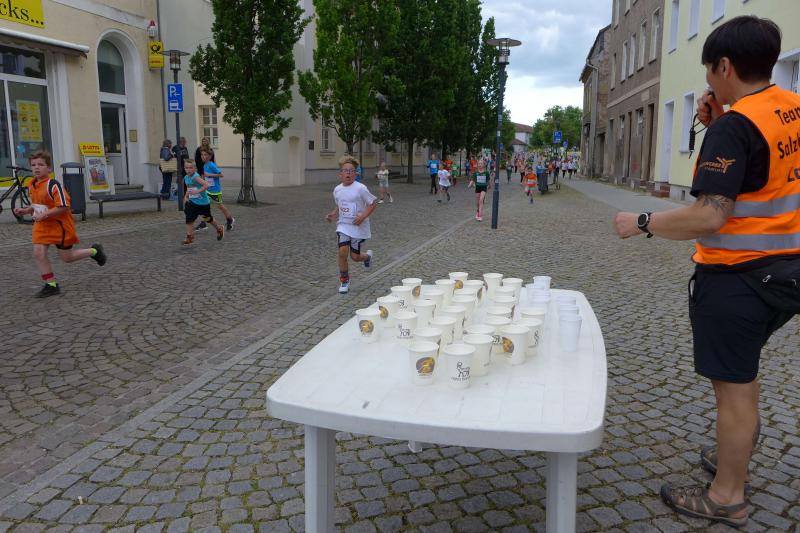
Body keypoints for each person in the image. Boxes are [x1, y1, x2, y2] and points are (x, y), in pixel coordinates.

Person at [614, 16, 799, 528]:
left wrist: (642, 222)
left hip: (739, 277)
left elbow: (710, 214)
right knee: (745, 376)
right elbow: (766, 175)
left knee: (734, 388)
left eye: (709, 71)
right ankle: (732, 456)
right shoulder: (790, 109)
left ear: (725, 66)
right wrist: (719, 120)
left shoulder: (735, 128)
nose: (707, 81)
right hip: (787, 273)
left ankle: (727, 496)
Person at [12, 150, 106, 298]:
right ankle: (51, 285)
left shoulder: (53, 185)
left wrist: (44, 214)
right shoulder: (32, 185)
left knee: (67, 258)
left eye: (41, 165)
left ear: (49, 168)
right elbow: (38, 204)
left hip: (60, 227)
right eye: (33, 165)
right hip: (42, 226)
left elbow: (63, 206)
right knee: (38, 253)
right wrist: (26, 210)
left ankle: (94, 251)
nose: (36, 168)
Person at [325, 155, 377, 294]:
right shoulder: (337, 190)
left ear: (356, 174)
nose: (348, 173)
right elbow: (340, 205)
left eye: (351, 171)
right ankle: (344, 280)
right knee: (342, 252)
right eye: (345, 171)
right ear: (340, 174)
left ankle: (367, 257)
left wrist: (363, 216)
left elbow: (372, 203)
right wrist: (333, 214)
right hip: (343, 225)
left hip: (358, 227)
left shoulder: (360, 188)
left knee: (355, 257)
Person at [182, 159, 224, 245]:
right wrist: (186, 196)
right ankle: (189, 237)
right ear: (184, 168)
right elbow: (189, 188)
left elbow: (207, 185)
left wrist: (197, 191)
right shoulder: (186, 177)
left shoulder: (196, 177)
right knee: (189, 218)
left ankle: (219, 228)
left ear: (195, 169)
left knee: (208, 219)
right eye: (186, 168)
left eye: (191, 168)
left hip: (203, 203)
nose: (188, 170)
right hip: (193, 202)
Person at [196, 148, 235, 231]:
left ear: (210, 156)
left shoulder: (212, 165)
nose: (203, 156)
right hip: (207, 189)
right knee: (203, 205)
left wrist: (209, 174)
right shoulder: (203, 165)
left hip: (215, 190)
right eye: (202, 155)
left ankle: (230, 219)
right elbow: (203, 176)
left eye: (205, 155)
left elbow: (221, 175)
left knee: (220, 206)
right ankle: (203, 223)